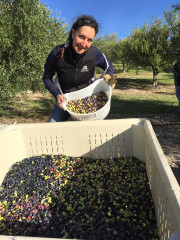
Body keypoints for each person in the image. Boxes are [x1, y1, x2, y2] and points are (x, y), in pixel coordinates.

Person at [43, 15, 116, 122]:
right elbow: (47, 77)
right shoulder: (56, 53)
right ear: (73, 33)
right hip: (66, 99)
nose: (84, 44)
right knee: (53, 128)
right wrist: (56, 94)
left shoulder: (93, 53)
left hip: (90, 98)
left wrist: (108, 75)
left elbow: (108, 65)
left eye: (89, 40)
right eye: (81, 37)